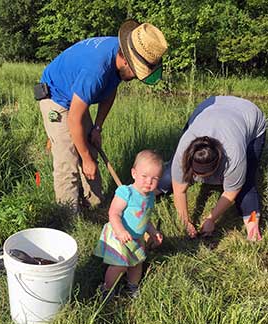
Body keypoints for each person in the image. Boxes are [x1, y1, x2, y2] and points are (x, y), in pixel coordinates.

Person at [37, 20, 168, 213]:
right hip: (56, 98)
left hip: (77, 98)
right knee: (69, 159)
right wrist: (85, 158)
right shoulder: (96, 71)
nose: (134, 78)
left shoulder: (120, 58)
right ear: (125, 59)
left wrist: (97, 127)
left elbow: (110, 90)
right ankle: (68, 217)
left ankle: (94, 206)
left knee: (91, 148)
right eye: (135, 72)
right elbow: (74, 117)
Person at [158, 96, 266, 241]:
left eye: (205, 175)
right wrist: (185, 222)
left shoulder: (234, 155)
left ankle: (253, 232)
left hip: (248, 114)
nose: (200, 179)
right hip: (209, 108)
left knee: (246, 184)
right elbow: (179, 191)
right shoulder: (184, 151)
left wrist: (211, 219)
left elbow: (230, 193)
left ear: (218, 165)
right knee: (168, 177)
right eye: (195, 174)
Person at [94, 150, 163, 298]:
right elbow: (114, 213)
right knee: (119, 265)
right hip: (120, 235)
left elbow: (145, 218)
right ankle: (107, 289)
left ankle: (132, 285)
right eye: (144, 176)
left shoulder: (150, 196)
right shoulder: (126, 192)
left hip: (136, 238)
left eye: (154, 178)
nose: (148, 182)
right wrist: (120, 231)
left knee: (137, 263)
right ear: (134, 173)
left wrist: (152, 231)